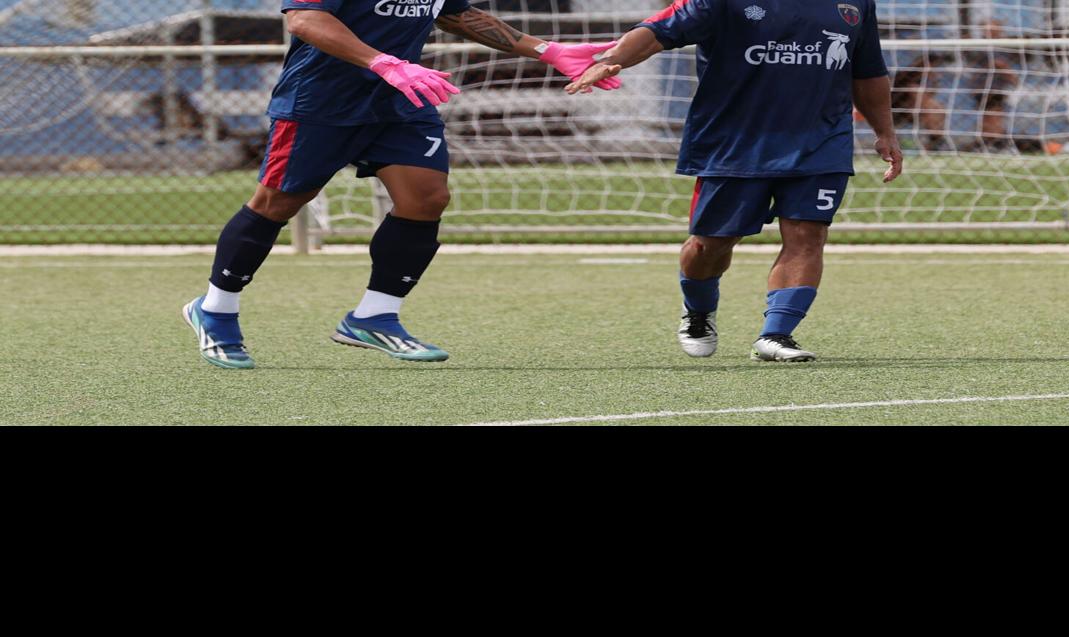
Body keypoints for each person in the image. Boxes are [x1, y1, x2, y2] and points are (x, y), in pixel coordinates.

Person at [184, 0, 619, 369]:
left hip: (401, 99)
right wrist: (383, 62)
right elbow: (304, 19)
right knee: (276, 204)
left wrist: (547, 50)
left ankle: (375, 316)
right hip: (320, 103)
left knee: (427, 198)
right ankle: (216, 310)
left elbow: (457, 15)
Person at [565, 0, 904, 362]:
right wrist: (611, 60)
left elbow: (867, 71)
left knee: (809, 234)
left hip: (821, 140)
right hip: (733, 144)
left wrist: (885, 131)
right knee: (710, 246)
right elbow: (656, 32)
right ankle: (698, 311)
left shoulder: (855, 4)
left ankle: (776, 335)